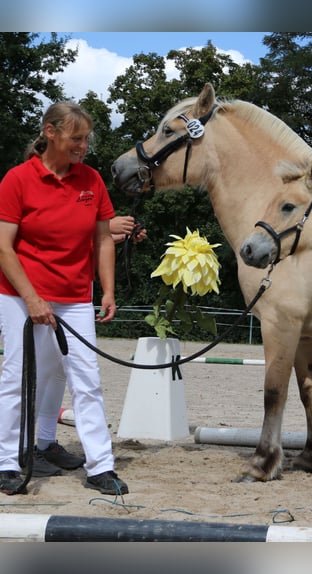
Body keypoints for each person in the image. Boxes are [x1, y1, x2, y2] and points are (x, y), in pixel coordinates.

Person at [0, 101, 128, 496]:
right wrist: (33, 299)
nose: (83, 146)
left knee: (86, 380)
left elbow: (103, 238)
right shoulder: (17, 180)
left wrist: (106, 289)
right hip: (21, 295)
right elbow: (4, 247)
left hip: (75, 296)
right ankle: (6, 460)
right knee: (18, 377)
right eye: (76, 138)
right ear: (50, 133)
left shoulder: (91, 181)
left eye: (86, 138)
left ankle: (100, 466)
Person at [27, 215, 147, 478]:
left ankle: (45, 443)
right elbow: (57, 237)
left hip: (76, 292)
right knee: (37, 373)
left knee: (59, 372)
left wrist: (117, 236)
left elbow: (83, 246)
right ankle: (22, 448)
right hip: (43, 290)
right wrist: (106, 229)